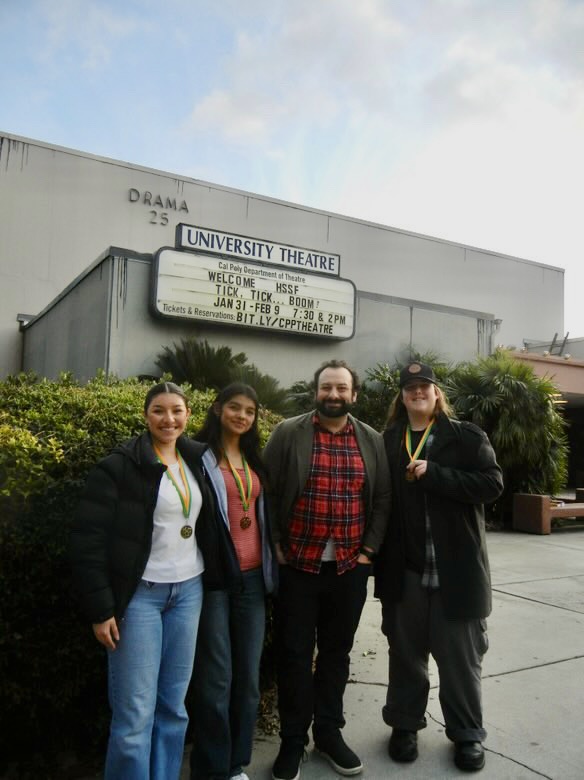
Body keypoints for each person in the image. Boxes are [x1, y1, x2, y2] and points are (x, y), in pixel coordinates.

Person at [70, 381, 223, 780]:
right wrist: (101, 609)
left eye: (177, 410)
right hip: (139, 598)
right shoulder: (119, 465)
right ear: (145, 415)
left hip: (189, 592)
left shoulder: (197, 458)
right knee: (134, 714)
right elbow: (88, 541)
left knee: (173, 707)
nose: (168, 419)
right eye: (159, 410)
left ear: (188, 415)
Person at [374, 362, 504, 772]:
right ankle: (405, 725)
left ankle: (467, 735)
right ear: (401, 395)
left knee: (460, 661)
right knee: (405, 654)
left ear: (436, 392)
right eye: (410, 387)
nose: (418, 392)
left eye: (424, 386)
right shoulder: (388, 441)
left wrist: (438, 475)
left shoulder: (465, 436)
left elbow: (492, 485)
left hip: (457, 572)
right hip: (406, 570)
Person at [264, 359, 390, 780]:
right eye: (326, 388)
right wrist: (278, 545)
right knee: (295, 655)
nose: (333, 395)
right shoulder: (288, 433)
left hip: (349, 569)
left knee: (336, 655)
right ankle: (293, 741)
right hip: (298, 566)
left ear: (354, 395)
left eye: (341, 389)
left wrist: (369, 550)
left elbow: (383, 498)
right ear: (315, 392)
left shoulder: (370, 440)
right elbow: (268, 490)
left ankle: (329, 734)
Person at [189, 382, 277, 780]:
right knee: (216, 678)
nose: (242, 416)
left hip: (254, 579)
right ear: (217, 408)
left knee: (248, 678)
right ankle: (210, 768)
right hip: (216, 581)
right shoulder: (196, 456)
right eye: (234, 408)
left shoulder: (255, 459)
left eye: (250, 411)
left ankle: (236, 764)